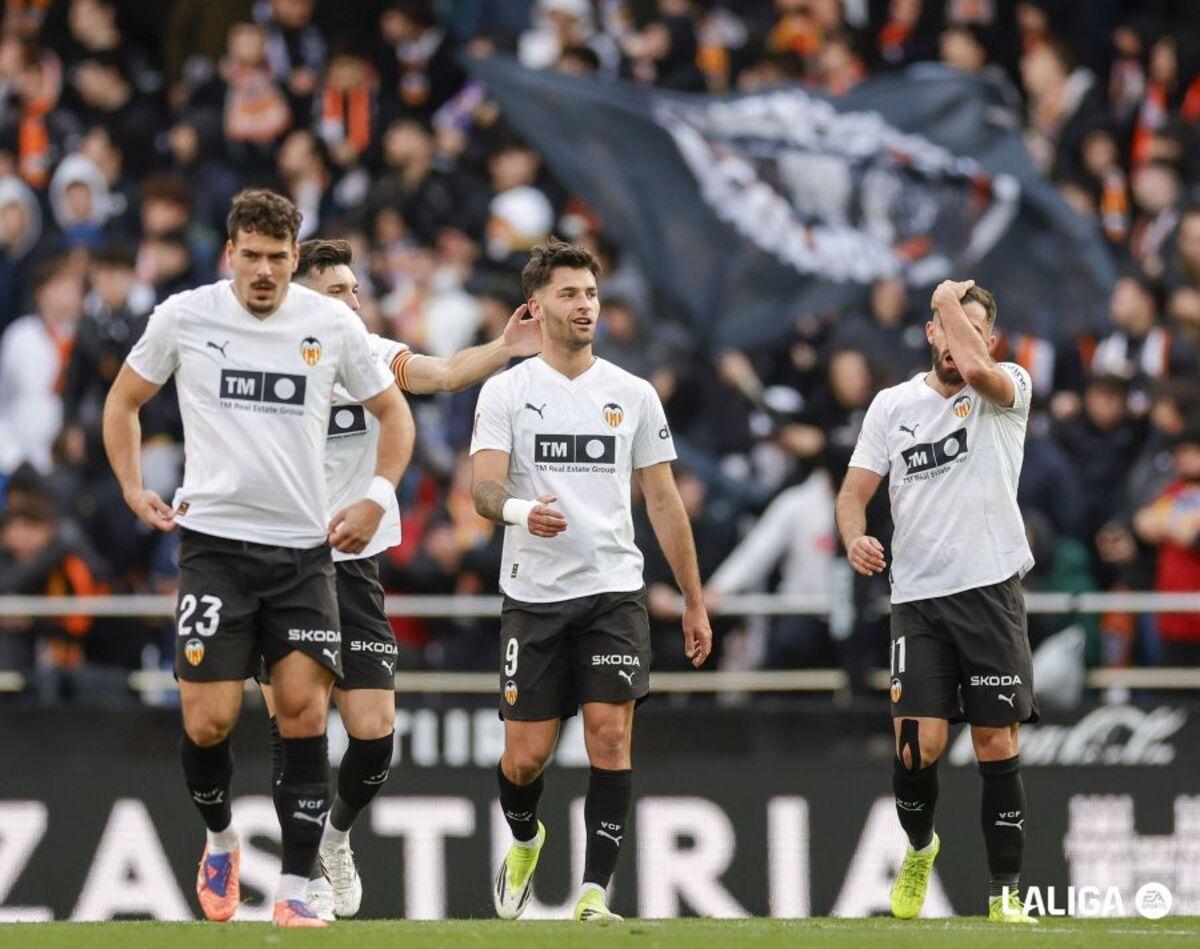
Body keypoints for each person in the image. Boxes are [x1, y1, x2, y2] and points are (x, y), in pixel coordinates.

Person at [101, 190, 414, 929]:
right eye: (254, 256)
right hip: (212, 546)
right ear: (230, 253)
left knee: (304, 714)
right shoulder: (185, 315)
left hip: (303, 553)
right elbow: (123, 402)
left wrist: (375, 495)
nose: (266, 271)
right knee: (207, 721)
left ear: (295, 259)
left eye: (279, 258)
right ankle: (220, 841)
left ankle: (296, 887)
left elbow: (394, 413)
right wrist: (131, 488)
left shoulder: (332, 325)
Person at [262, 238, 542, 920]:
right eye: (338, 292)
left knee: (375, 730)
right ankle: (301, 873)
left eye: (357, 290)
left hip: (354, 565)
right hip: (283, 562)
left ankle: (336, 837)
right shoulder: (269, 361)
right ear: (302, 298)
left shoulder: (372, 355)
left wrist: (503, 347)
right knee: (297, 724)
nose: (354, 302)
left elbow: (444, 373)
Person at [470, 239, 712, 922]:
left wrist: (693, 599)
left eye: (591, 294)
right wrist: (522, 510)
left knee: (609, 736)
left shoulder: (631, 394)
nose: (585, 306)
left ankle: (593, 893)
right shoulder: (507, 391)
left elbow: (662, 501)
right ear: (537, 305)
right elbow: (483, 488)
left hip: (612, 590)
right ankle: (525, 838)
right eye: (570, 294)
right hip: (534, 595)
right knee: (524, 759)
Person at [835, 279, 1039, 924]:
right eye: (944, 327)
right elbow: (852, 493)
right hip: (918, 598)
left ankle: (1005, 891)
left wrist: (949, 298)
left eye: (969, 330)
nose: (954, 341)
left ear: (988, 339)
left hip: (989, 590)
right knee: (914, 748)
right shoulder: (891, 405)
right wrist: (854, 537)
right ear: (928, 334)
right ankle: (921, 847)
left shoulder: (1007, 386)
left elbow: (977, 368)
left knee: (995, 744)